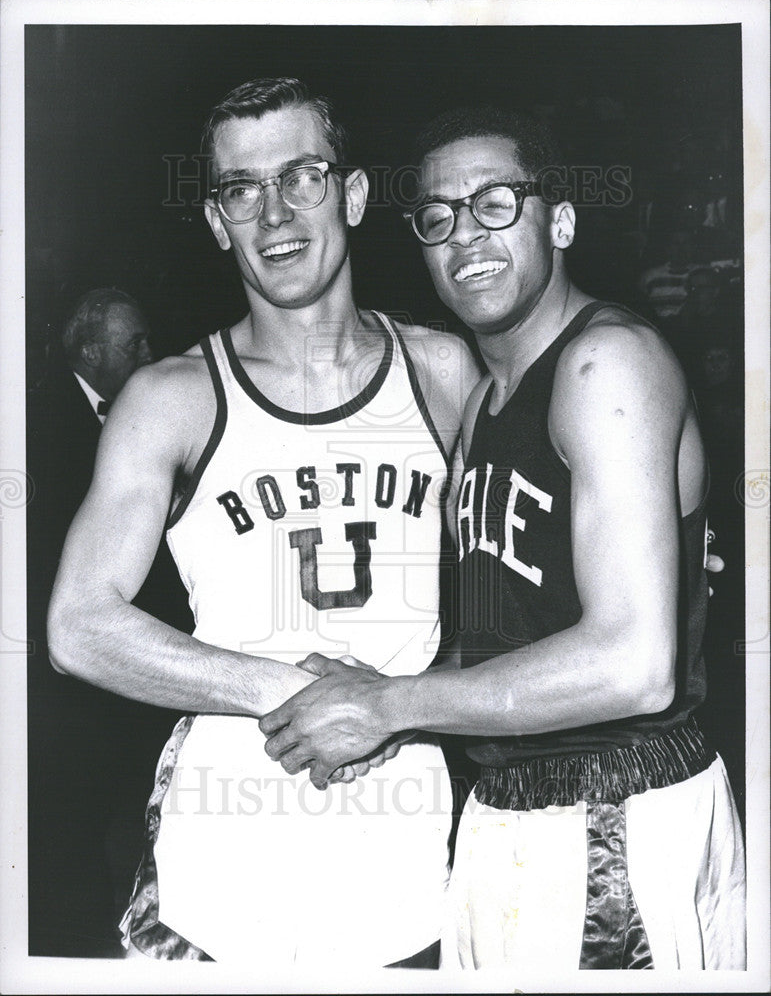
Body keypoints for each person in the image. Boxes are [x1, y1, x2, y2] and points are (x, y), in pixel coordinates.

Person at [259, 106, 746, 971]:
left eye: (494, 204)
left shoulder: (606, 364)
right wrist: (370, 691)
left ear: (558, 220)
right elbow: (511, 632)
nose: (463, 236)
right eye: (437, 217)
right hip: (507, 804)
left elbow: (634, 664)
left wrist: (386, 705)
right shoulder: (483, 400)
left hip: (615, 806)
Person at [47, 79, 480, 967]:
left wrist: (397, 707)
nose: (275, 212)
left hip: (407, 871)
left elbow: (521, 600)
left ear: (352, 195)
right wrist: (288, 694)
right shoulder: (168, 398)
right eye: (241, 189)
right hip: (220, 877)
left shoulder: (441, 371)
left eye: (303, 177)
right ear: (216, 221)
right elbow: (77, 627)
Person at [27, 288, 190, 957]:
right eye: (136, 344)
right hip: (58, 681)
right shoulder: (41, 423)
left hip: (117, 670)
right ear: (91, 351)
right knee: (71, 828)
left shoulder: (132, 420)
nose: (150, 355)